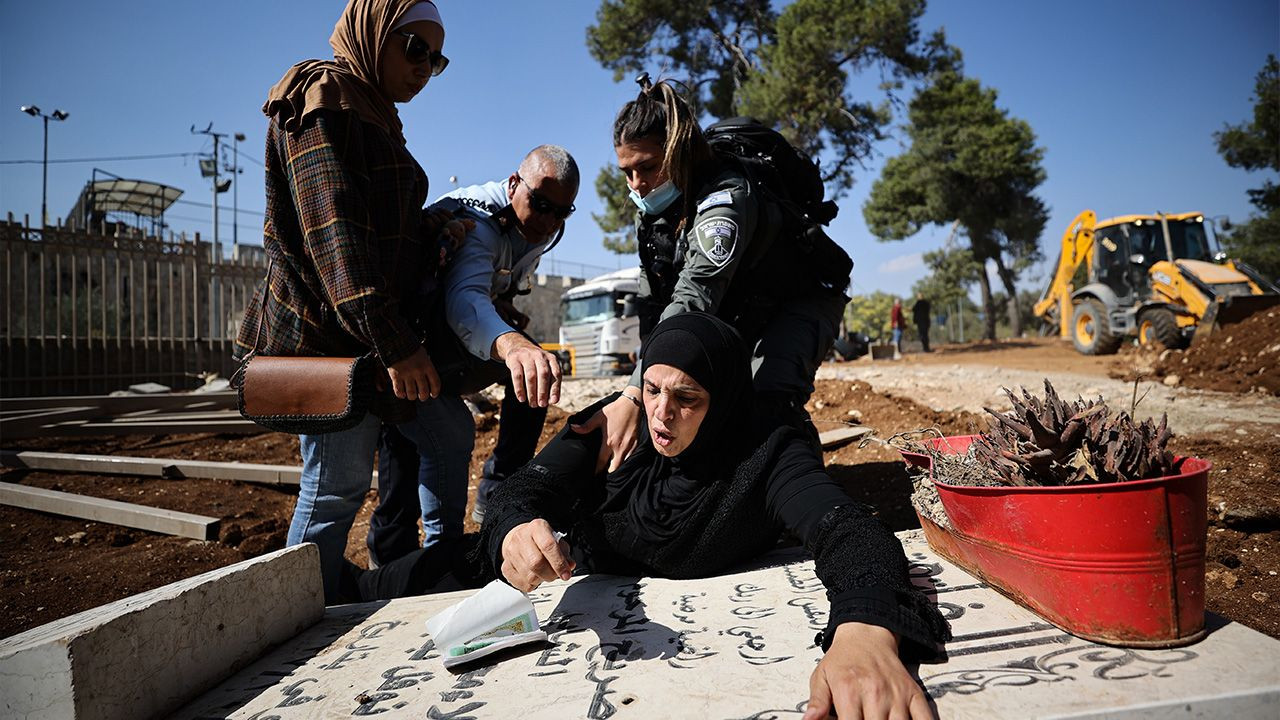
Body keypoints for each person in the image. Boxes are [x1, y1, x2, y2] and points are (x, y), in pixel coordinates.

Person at [342, 313, 949, 720]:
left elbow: (846, 528)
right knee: (361, 594)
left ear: (726, 399)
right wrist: (516, 531)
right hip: (518, 573)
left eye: (688, 399)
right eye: (654, 389)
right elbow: (523, 490)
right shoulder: (617, 424)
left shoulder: (766, 452)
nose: (662, 415)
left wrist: (865, 633)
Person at [235, 0, 469, 602]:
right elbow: (335, 243)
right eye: (414, 48)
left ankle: (447, 568)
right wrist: (399, 345)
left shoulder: (373, 111)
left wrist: (436, 228)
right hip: (339, 345)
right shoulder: (322, 101)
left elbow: (383, 227)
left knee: (446, 435)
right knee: (336, 487)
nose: (425, 67)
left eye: (435, 59)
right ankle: (288, 617)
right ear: (371, 34)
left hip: (369, 340)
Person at [575, 77, 851, 473]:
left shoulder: (726, 202)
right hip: (738, 307)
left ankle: (798, 482)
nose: (636, 184)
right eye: (626, 172)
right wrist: (647, 379)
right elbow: (654, 299)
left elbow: (694, 296)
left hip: (798, 301)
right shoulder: (654, 211)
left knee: (767, 398)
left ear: (677, 151)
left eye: (647, 167)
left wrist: (634, 395)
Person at [366, 146, 578, 564]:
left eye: (561, 213)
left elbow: (484, 290)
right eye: (540, 205)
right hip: (407, 348)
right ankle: (390, 562)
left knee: (533, 376)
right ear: (514, 184)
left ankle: (496, 494)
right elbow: (464, 302)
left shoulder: (534, 227)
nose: (549, 221)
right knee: (406, 447)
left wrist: (505, 313)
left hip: (451, 340)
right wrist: (511, 344)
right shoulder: (481, 224)